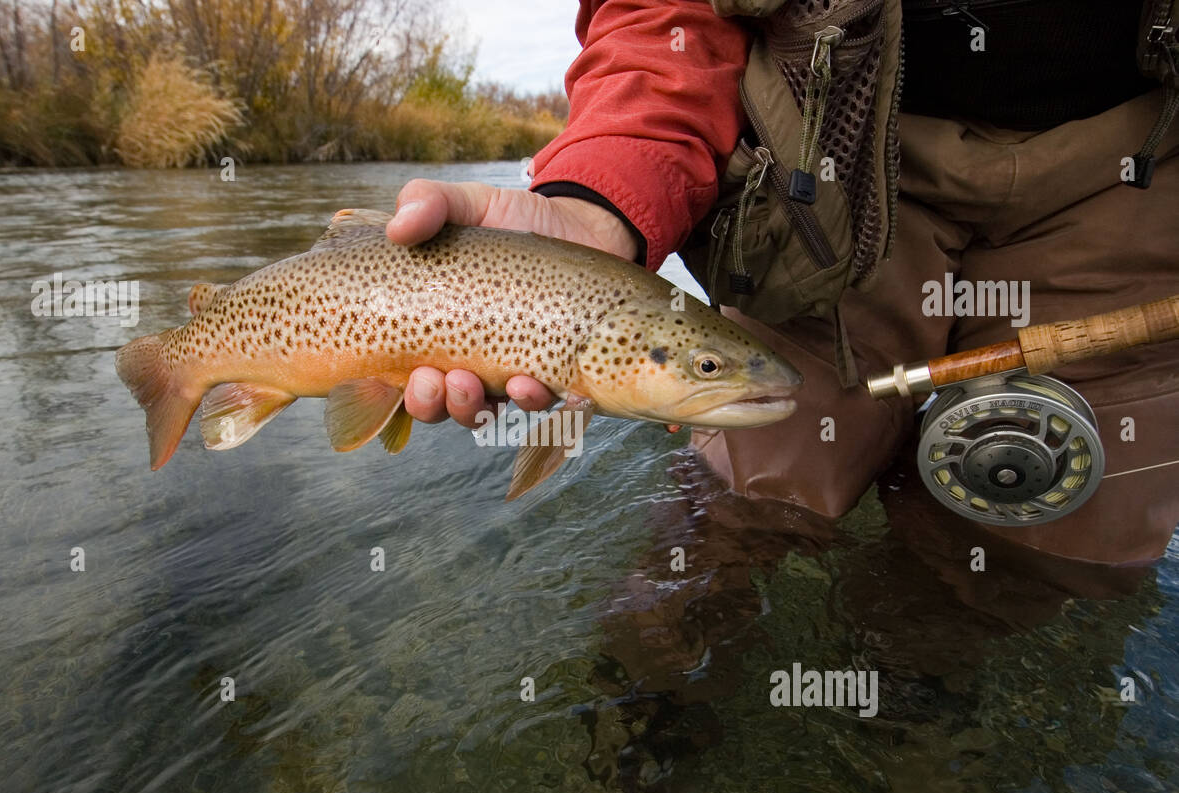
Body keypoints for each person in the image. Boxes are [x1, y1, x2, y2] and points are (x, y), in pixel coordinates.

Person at [387, 0, 1179, 566]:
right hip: (827, 171)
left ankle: (926, 715)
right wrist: (598, 200)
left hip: (1135, 166)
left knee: (1057, 535)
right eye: (698, 366)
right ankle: (652, 732)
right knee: (742, 513)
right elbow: (663, 20)